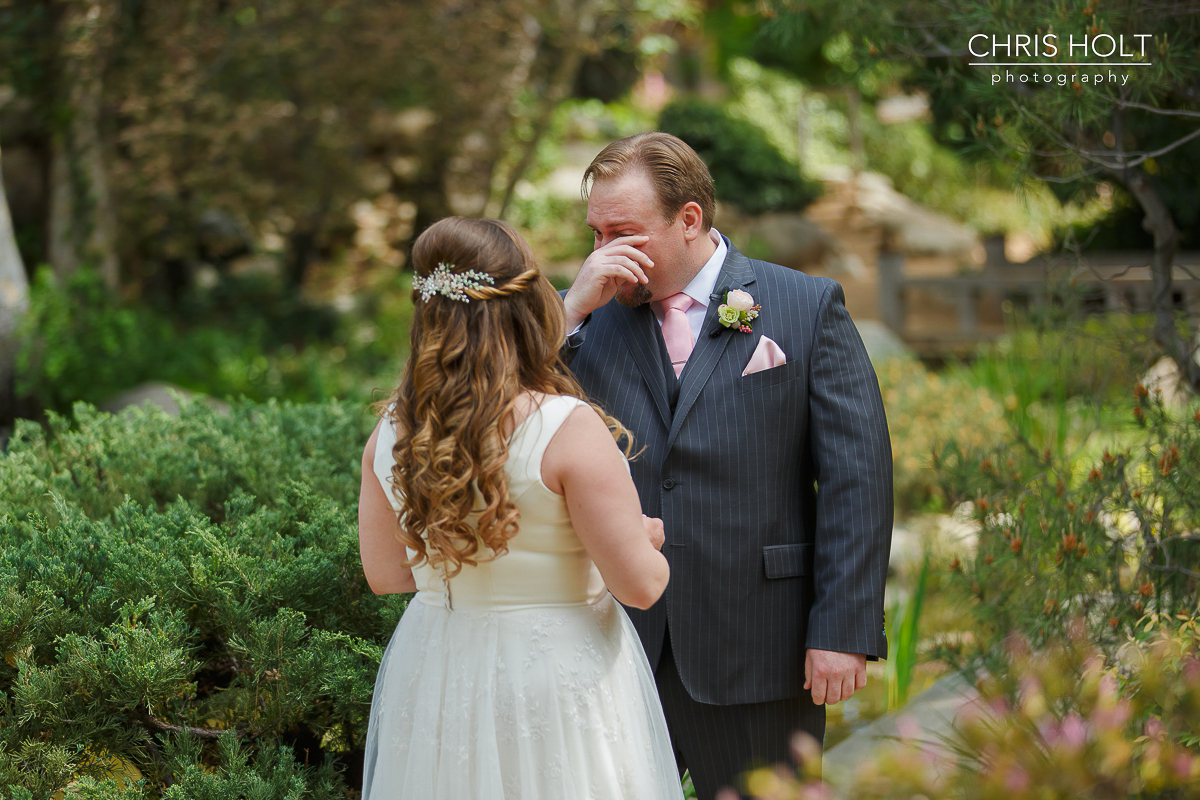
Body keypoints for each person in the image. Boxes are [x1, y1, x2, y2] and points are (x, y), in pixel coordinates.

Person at [561, 132, 893, 799]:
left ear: (689, 220)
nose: (606, 252)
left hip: (761, 644)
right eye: (596, 234)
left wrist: (843, 629)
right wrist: (567, 312)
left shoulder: (805, 307)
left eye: (623, 231)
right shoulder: (585, 319)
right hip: (614, 644)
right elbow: (514, 423)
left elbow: (857, 477)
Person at [356, 215, 685, 800]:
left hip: (437, 668)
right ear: (523, 307)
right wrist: (642, 539)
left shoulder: (390, 434)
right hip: (555, 679)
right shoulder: (567, 427)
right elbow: (640, 586)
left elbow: (385, 575)